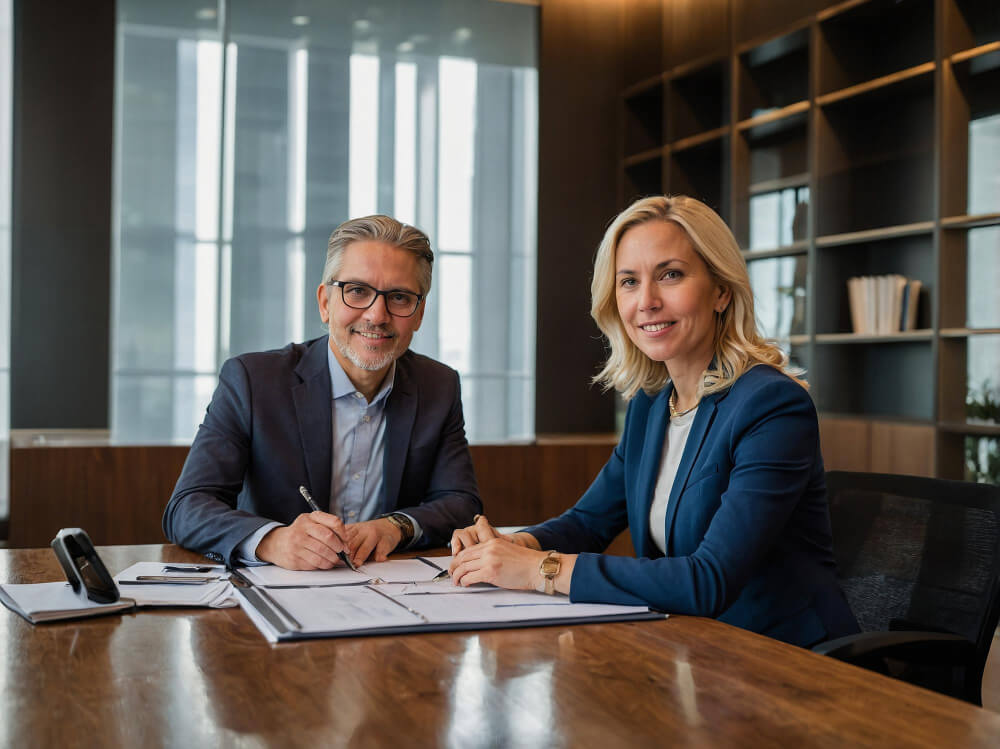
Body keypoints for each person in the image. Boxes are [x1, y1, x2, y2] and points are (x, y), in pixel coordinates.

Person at [448, 195, 859, 648]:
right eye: (629, 281)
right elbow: (588, 522)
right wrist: (515, 547)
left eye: (671, 275)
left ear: (721, 290)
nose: (646, 301)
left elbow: (710, 580)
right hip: (698, 650)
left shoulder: (771, 406)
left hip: (787, 659)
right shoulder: (651, 405)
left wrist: (542, 571)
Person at [164, 215, 481, 569]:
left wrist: (396, 527)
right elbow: (187, 508)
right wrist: (271, 540)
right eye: (358, 291)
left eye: (400, 297)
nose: (377, 315)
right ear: (325, 302)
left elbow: (461, 504)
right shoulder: (252, 380)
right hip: (274, 596)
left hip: (389, 591)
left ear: (419, 314)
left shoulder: (438, 385)